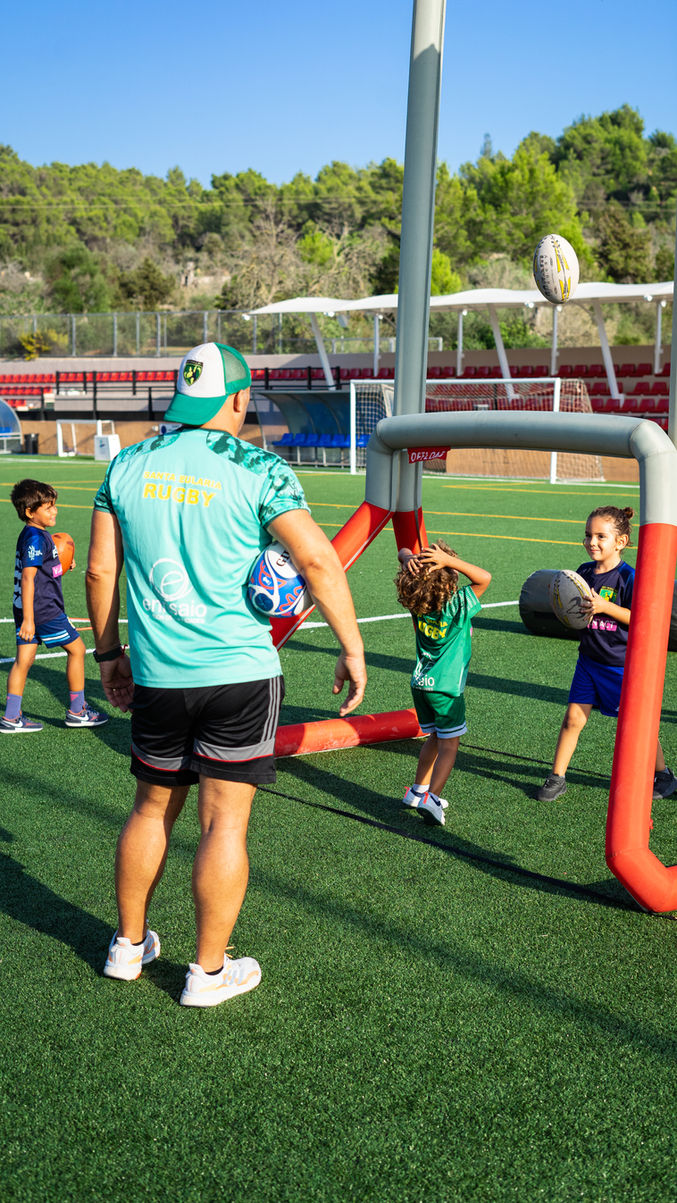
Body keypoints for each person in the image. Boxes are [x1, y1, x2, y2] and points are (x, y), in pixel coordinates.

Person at [86, 341, 366, 1008]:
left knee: (150, 808)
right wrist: (352, 647)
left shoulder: (126, 464)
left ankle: (127, 946)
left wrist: (108, 654)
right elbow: (317, 561)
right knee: (223, 826)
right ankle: (207, 973)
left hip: (158, 673)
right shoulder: (259, 468)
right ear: (238, 399)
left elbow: (99, 570)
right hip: (240, 674)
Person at [537, 505, 676, 802]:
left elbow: (642, 619)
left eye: (601, 536)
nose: (592, 542)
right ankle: (557, 777)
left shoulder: (629, 577)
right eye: (588, 535)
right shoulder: (583, 573)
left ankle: (663, 773)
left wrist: (605, 607)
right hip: (588, 661)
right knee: (573, 719)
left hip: (620, 667)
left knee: (637, 725)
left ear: (621, 542)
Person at [395, 540, 491, 826]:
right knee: (450, 744)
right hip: (446, 689)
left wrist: (409, 558)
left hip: (421, 683)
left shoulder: (417, 604)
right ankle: (432, 798)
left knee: (435, 738)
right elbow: (484, 578)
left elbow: (402, 553)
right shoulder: (456, 604)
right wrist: (450, 561)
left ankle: (417, 791)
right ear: (448, 579)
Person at [1, 478, 107, 734]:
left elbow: (41, 571)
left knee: (23, 661)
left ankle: (11, 717)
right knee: (78, 650)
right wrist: (29, 620)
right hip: (43, 610)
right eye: (48, 507)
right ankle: (78, 711)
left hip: (28, 608)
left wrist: (61, 566)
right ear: (30, 512)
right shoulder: (36, 539)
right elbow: (28, 578)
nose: (54, 511)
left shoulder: (32, 534)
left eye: (54, 505)